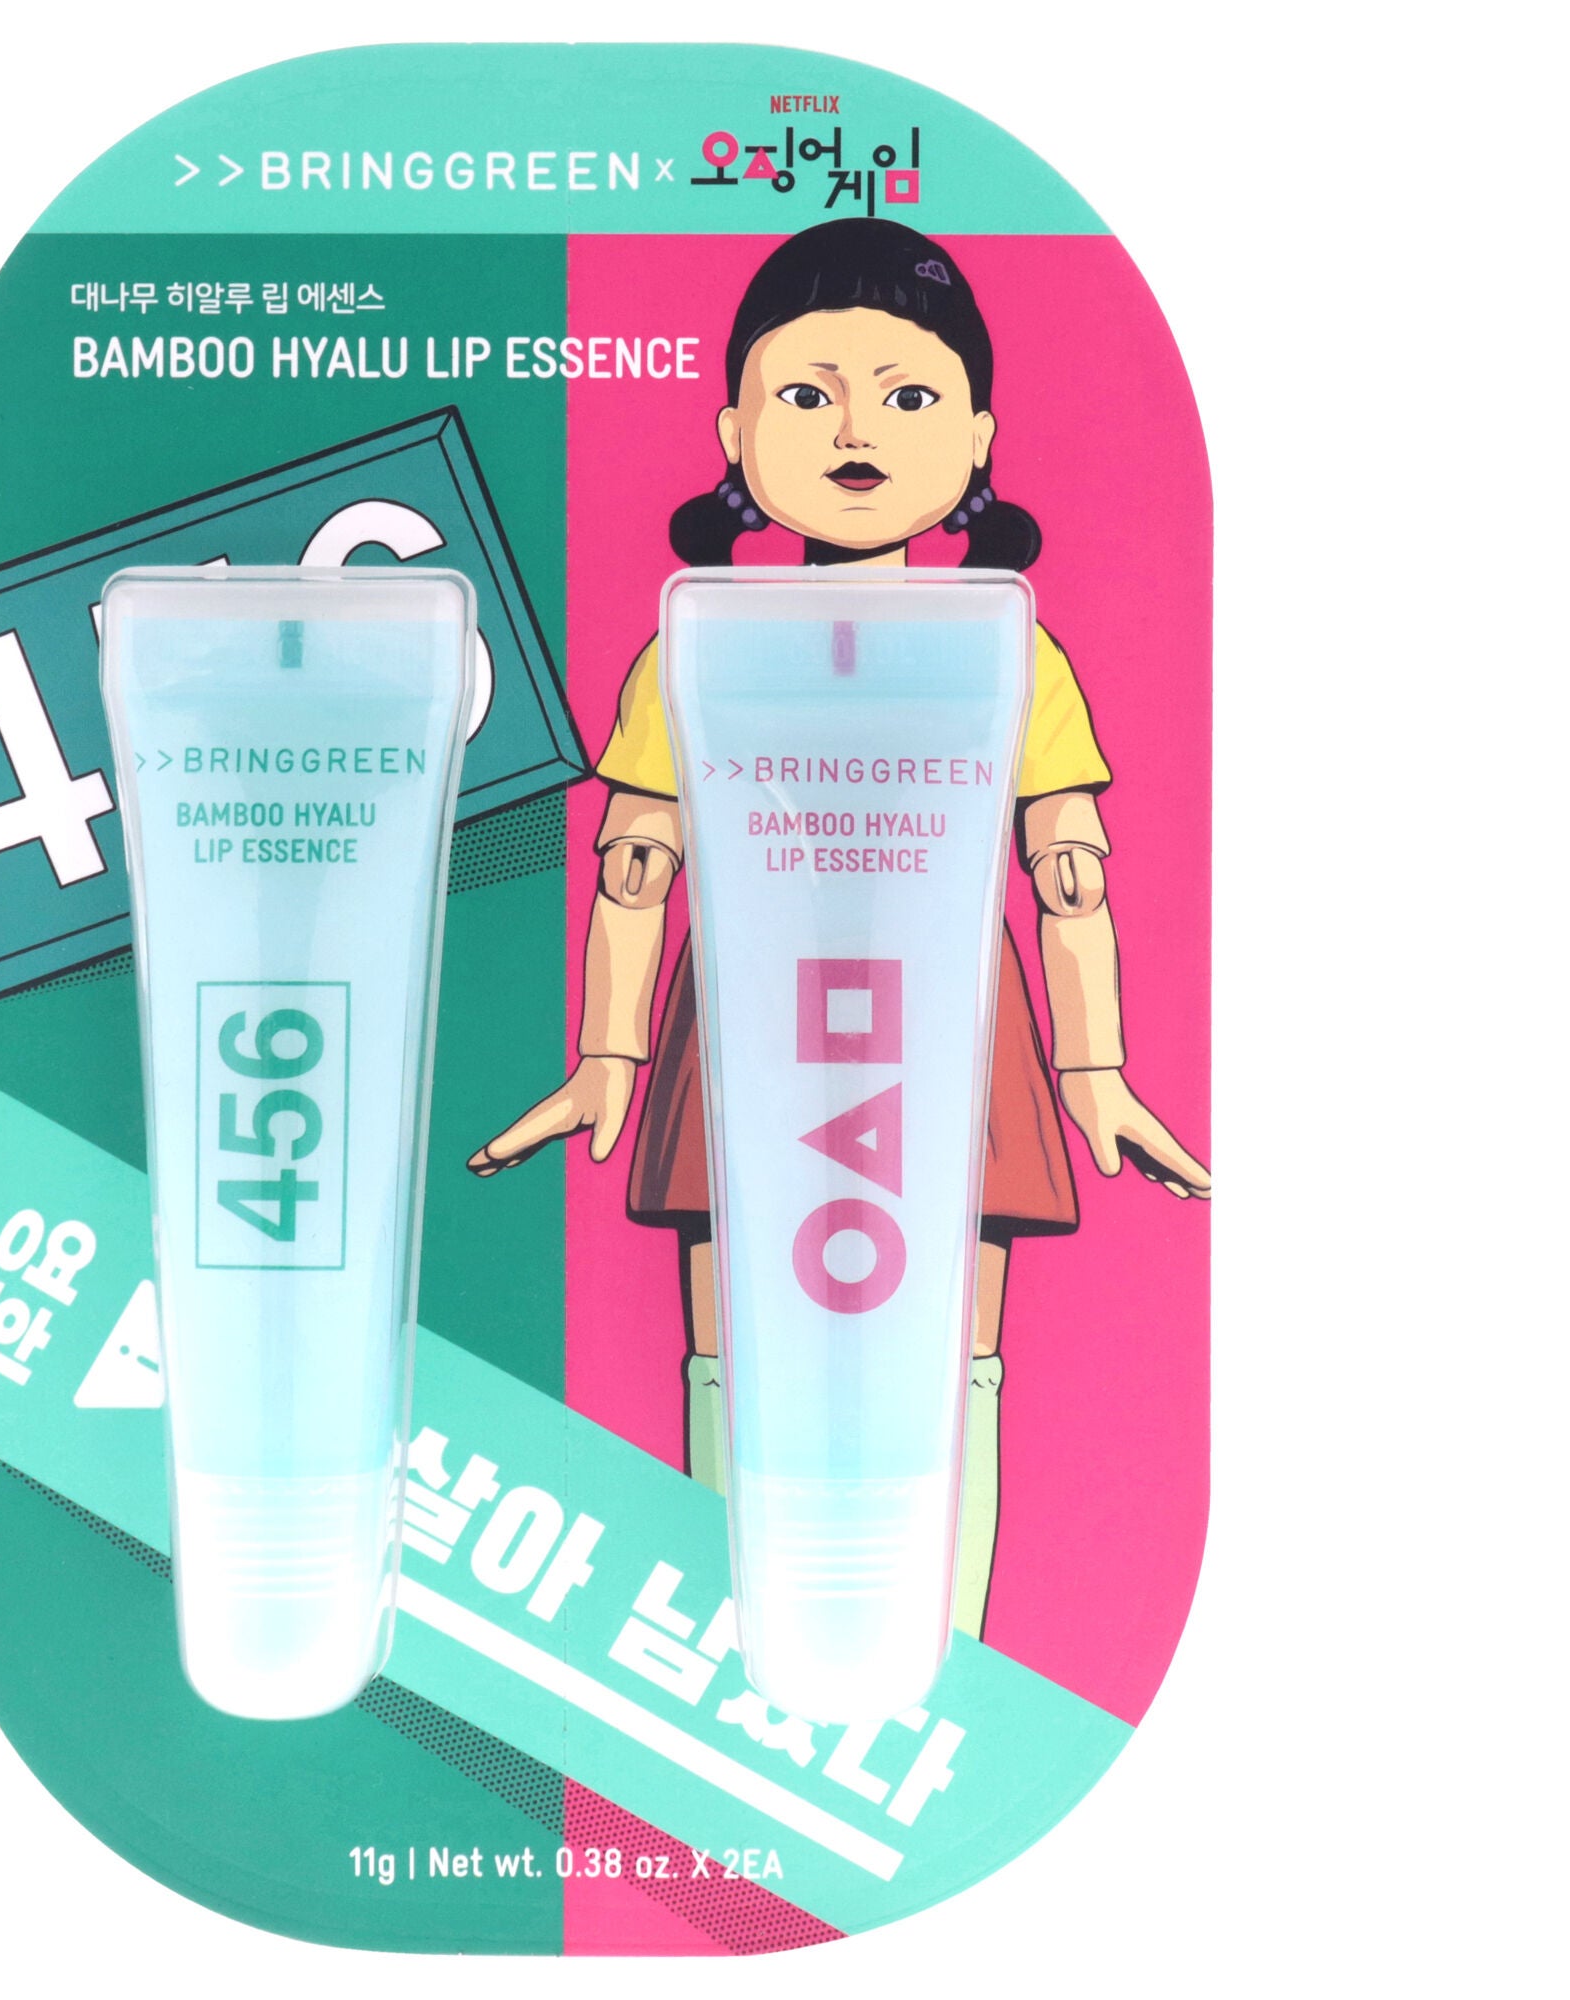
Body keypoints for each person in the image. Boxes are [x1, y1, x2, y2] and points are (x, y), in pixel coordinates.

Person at [469, 218, 1208, 1639]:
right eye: (808, 394)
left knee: (952, 1332)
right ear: (732, 433)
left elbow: (1069, 876)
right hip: (746, 1017)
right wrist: (610, 1058)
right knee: (733, 1324)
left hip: (957, 1027)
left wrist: (1096, 1071)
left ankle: (941, 1638)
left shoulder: (1013, 649)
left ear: (979, 439)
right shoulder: (693, 646)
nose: (857, 430)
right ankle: (732, 1626)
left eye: (908, 395)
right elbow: (636, 866)